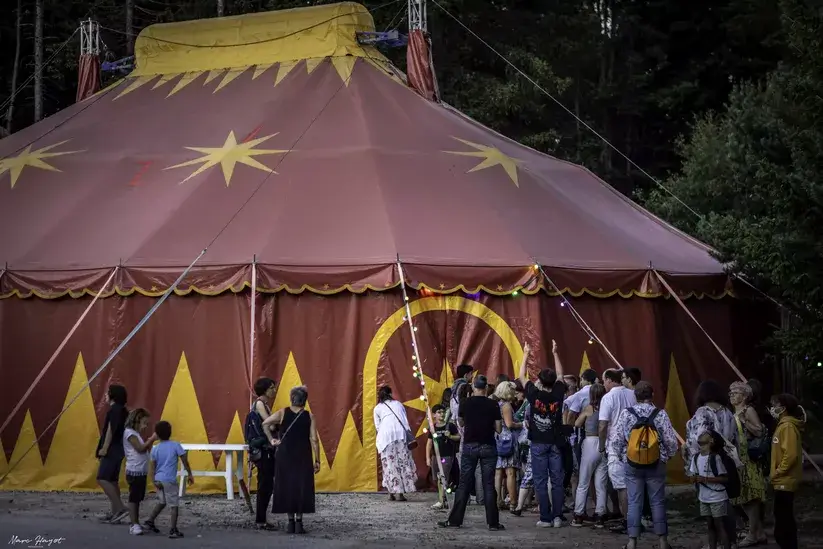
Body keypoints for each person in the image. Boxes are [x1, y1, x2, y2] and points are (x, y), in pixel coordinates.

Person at [611, 381, 679, 549]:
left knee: (634, 502)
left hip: (633, 464)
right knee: (657, 501)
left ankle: (632, 542)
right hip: (656, 463)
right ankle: (663, 542)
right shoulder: (660, 414)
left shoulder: (627, 414)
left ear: (635, 396)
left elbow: (616, 441)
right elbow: (671, 441)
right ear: (652, 395)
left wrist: (623, 457)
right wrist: (667, 456)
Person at [438, 374, 504, 530]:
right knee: (488, 485)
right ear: (486, 387)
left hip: (469, 446)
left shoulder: (465, 402)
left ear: (474, 387)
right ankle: (493, 523)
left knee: (463, 484)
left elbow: (460, 422)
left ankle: (455, 520)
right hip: (488, 446)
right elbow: (499, 429)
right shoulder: (493, 404)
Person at [518, 341, 567, 528]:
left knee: (540, 480)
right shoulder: (558, 392)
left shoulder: (534, 394)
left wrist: (526, 354)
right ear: (554, 381)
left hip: (538, 442)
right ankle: (557, 516)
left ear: (540, 380)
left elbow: (521, 376)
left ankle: (545, 518)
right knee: (556, 480)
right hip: (555, 442)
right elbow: (562, 374)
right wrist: (555, 352)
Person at [263, 386, 320, 534]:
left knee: (287, 485)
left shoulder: (282, 412)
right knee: (301, 486)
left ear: (291, 398)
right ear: (305, 400)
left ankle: (290, 523)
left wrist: (272, 440)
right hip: (303, 455)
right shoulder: (310, 416)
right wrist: (317, 460)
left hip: (285, 455)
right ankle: (299, 523)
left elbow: (265, 424)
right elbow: (314, 439)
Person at [728, 381, 766, 546]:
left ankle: (753, 534)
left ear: (744, 396)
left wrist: (744, 421)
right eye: (731, 393)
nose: (732, 396)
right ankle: (759, 532)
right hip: (738, 458)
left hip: (749, 459)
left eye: (735, 393)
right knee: (743, 497)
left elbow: (759, 430)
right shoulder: (733, 411)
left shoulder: (747, 410)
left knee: (751, 498)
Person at [599, 369, 637, 532]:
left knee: (621, 486)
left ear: (609, 380)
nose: (603, 385)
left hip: (615, 445)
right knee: (634, 484)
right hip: (635, 444)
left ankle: (628, 521)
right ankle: (637, 518)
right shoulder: (632, 394)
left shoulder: (608, 397)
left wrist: (601, 445)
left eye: (603, 381)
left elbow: (602, 425)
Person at [145, 420, 193, 538]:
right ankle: (173, 529)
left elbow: (152, 466)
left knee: (162, 502)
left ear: (157, 434)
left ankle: (150, 521)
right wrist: (190, 474)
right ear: (170, 432)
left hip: (159, 479)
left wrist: (153, 481)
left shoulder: (155, 448)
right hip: (169, 480)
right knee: (174, 505)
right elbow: (184, 461)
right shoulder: (175, 445)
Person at [770, 393, 805, 549]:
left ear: (783, 408)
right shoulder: (783, 425)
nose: (772, 408)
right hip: (782, 480)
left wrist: (777, 472)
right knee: (781, 516)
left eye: (775, 405)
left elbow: (790, 455)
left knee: (784, 519)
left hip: (785, 480)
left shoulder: (788, 427)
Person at [571, 382, 608, 528]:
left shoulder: (588, 408)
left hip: (590, 442)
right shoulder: (607, 409)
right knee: (601, 483)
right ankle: (600, 515)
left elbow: (577, 424)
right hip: (604, 444)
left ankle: (579, 514)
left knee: (584, 481)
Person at [373, 385, 417, 501]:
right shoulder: (398, 404)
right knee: (402, 463)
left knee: (389, 464)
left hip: (386, 438)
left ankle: (391, 493)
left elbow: (378, 427)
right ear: (390, 394)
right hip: (400, 435)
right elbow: (404, 420)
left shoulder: (377, 408)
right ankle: (400, 494)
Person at [690, 430, 732, 549]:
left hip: (717, 498)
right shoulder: (696, 457)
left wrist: (705, 479)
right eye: (699, 443)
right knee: (710, 525)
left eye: (704, 443)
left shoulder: (716, 458)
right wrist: (694, 479)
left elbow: (724, 478)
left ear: (711, 442)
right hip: (704, 497)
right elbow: (693, 475)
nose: (701, 446)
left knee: (719, 524)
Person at [95, 384, 130, 524]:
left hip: (112, 449)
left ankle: (121, 508)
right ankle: (115, 512)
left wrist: (104, 448)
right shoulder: (123, 411)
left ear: (113, 395)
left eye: (107, 392)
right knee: (112, 480)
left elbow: (111, 430)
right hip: (119, 449)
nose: (105, 395)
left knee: (102, 478)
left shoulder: (114, 410)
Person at [123, 408, 157, 536]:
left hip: (140, 470)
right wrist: (151, 439)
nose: (145, 426)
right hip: (134, 470)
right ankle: (133, 524)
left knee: (138, 498)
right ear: (136, 421)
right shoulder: (129, 433)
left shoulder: (135, 434)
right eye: (144, 423)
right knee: (134, 498)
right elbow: (140, 449)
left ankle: (135, 522)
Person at [251, 377, 278, 530]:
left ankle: (261, 518)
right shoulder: (261, 404)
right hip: (263, 450)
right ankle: (260, 520)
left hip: (264, 449)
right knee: (265, 485)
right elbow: (269, 425)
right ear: (265, 390)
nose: (274, 390)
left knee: (266, 484)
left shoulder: (264, 404)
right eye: (272, 387)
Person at [493, 381, 522, 512]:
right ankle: (513, 502)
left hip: (497, 439)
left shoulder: (496, 404)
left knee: (498, 472)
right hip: (508, 440)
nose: (515, 393)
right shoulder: (506, 406)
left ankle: (497, 500)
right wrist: (521, 424)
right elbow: (509, 424)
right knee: (510, 472)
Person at [427, 404, 460, 510]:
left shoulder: (450, 426)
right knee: (438, 478)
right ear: (434, 415)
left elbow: (459, 437)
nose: (441, 414)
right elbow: (429, 444)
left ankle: (442, 500)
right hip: (435, 457)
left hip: (447, 456)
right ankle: (443, 499)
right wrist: (428, 458)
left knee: (443, 478)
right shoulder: (433, 428)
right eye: (439, 412)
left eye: (443, 412)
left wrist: (450, 436)